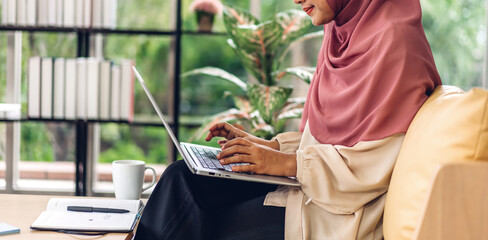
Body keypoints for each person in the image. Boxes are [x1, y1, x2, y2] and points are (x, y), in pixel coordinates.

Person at [134, 0, 442, 239]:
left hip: (339, 216)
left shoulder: (395, 40)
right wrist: (266, 146)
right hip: (311, 187)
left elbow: (374, 166)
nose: (296, 1)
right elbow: (326, 136)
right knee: (180, 177)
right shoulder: (342, 30)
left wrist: (282, 163)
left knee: (196, 220)